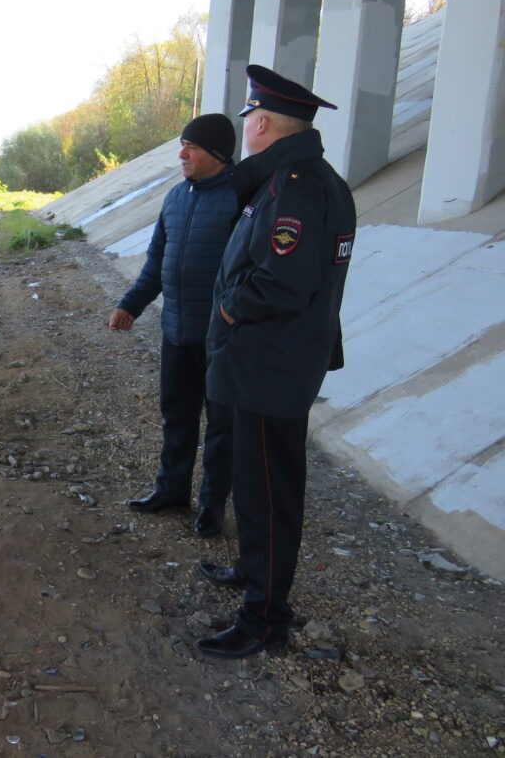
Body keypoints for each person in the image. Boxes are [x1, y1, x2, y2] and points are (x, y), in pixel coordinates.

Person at [196, 65, 356, 659]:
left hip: (271, 362)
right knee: (256, 479)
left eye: (250, 121)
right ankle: (252, 571)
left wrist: (232, 309)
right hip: (268, 361)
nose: (248, 130)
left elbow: (284, 283)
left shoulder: (294, 186)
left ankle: (265, 619)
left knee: (269, 491)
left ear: (261, 122)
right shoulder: (305, 179)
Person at [111, 113, 238, 538]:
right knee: (177, 416)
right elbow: (156, 262)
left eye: (193, 147)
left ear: (218, 154)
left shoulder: (242, 197)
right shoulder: (175, 198)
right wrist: (131, 304)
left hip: (222, 339)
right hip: (176, 331)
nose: (182, 154)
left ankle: (213, 506)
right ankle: (171, 490)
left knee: (221, 425)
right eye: (181, 145)